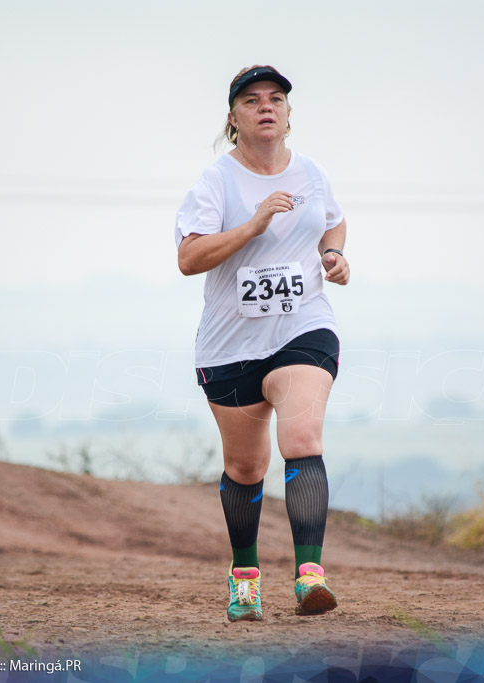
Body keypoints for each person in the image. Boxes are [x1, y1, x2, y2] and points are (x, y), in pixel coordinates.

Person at [175, 65, 350, 621]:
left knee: (301, 434)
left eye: (276, 99)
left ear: (289, 115)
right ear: (234, 118)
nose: (266, 106)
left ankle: (309, 576)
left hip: (303, 326)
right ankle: (245, 573)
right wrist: (251, 226)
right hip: (231, 346)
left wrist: (334, 256)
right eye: (252, 100)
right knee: (246, 468)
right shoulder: (215, 182)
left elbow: (334, 224)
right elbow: (188, 259)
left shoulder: (312, 173)